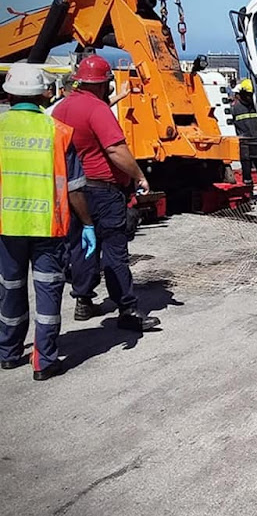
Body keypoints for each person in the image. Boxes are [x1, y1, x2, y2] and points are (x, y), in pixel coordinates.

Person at [0, 63, 97, 381]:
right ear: (43, 93)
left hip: (6, 225)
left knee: (10, 290)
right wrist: (88, 224)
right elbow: (74, 188)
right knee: (47, 293)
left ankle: (9, 353)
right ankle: (44, 361)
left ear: (9, 92)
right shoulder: (57, 132)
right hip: (48, 227)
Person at [53, 55, 160, 332]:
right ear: (103, 84)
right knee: (114, 250)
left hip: (73, 190)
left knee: (83, 247)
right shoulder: (97, 110)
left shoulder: (61, 109)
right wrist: (139, 175)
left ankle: (84, 300)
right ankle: (126, 309)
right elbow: (115, 149)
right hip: (103, 191)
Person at [231, 78, 257, 198]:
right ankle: (248, 194)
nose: (249, 97)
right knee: (247, 172)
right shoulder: (235, 109)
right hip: (245, 144)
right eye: (248, 95)